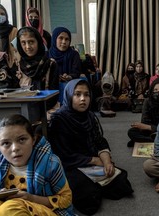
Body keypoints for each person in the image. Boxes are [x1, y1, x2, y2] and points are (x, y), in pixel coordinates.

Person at [48, 79, 133, 215]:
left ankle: (97, 184)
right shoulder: (59, 120)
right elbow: (62, 156)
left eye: (86, 95)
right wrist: (93, 160)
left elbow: (99, 141)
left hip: (91, 163)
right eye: (77, 94)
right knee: (88, 200)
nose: (83, 99)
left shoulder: (89, 116)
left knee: (122, 183)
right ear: (69, 95)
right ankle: (96, 185)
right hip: (70, 166)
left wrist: (106, 161)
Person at [0, 114, 73, 215]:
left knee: (9, 208)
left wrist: (31, 198)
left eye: (22, 139)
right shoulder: (0, 165)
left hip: (48, 211)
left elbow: (66, 199)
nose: (15, 148)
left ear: (33, 140)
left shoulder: (50, 163)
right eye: (6, 143)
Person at [15, 27, 58, 109]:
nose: (28, 47)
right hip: (22, 109)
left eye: (31, 42)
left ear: (38, 42)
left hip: (47, 108)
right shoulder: (18, 65)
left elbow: (53, 95)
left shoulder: (50, 64)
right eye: (23, 43)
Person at [127, 78, 159, 147]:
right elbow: (144, 121)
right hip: (149, 130)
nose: (158, 92)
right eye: (155, 90)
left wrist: (148, 127)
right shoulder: (147, 101)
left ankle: (143, 140)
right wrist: (147, 127)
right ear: (152, 90)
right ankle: (155, 140)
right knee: (132, 132)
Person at [48, 26, 81, 104]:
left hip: (70, 84)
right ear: (54, 39)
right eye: (61, 38)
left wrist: (69, 76)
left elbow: (76, 71)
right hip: (52, 85)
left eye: (67, 39)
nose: (64, 42)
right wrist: (56, 77)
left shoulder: (74, 54)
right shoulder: (47, 55)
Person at [0, 3, 18, 68]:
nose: (0, 16)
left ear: (6, 15)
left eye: (2, 14)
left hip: (12, 65)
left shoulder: (13, 30)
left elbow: (17, 50)